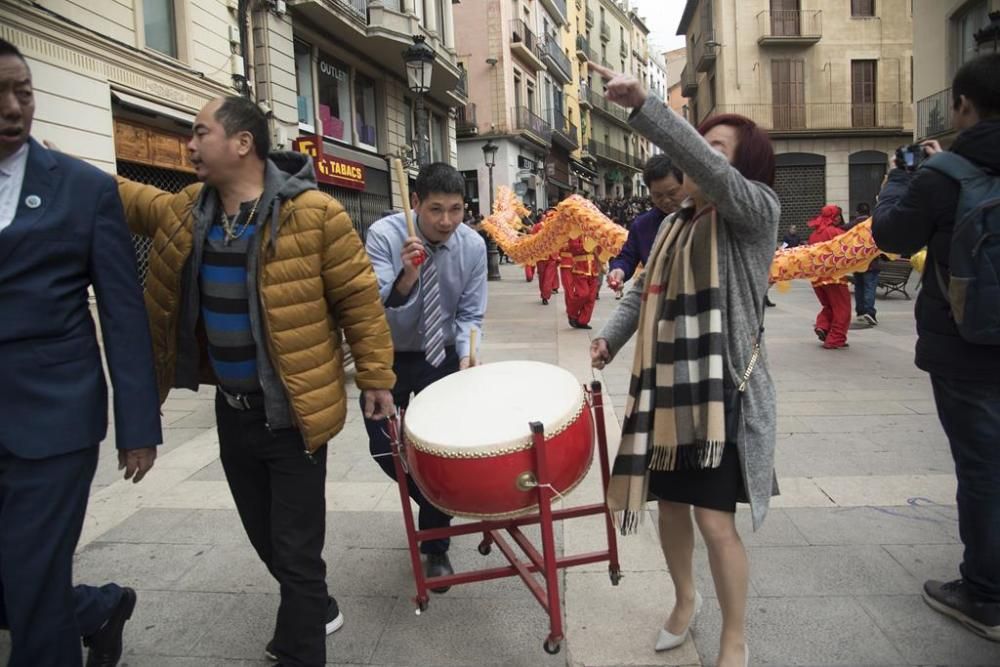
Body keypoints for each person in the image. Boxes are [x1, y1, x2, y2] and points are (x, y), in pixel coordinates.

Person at [115, 95, 396, 667]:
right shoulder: (190, 211)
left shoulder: (317, 214)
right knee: (265, 537)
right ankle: (313, 605)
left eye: (200, 132)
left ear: (242, 143)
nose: (190, 145)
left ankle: (301, 646)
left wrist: (376, 378)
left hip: (293, 413)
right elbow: (134, 202)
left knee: (295, 551)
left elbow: (359, 302)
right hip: (232, 411)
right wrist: (60, 168)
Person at [589, 61, 778, 667]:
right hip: (667, 390)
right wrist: (610, 339)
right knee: (670, 506)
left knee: (715, 522)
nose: (698, 155)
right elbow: (640, 292)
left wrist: (648, 106)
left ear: (731, 165)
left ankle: (734, 637)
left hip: (720, 394)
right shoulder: (672, 226)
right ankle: (684, 598)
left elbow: (710, 171)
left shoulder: (753, 213)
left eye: (712, 148)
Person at [0, 39, 162, 667]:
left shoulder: (84, 189)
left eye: (24, 91)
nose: (14, 107)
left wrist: (138, 426)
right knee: (16, 580)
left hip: (53, 418)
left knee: (33, 581)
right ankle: (97, 608)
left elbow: (124, 316)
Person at [872, 53, 1000, 642]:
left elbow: (891, 237)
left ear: (964, 106)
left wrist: (902, 174)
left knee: (982, 468)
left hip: (967, 345)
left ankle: (986, 594)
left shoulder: (944, 174)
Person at [363, 162, 487, 591]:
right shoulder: (383, 234)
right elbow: (379, 301)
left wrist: (469, 353)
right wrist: (408, 273)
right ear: (415, 203)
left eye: (455, 209)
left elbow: (471, 312)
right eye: (436, 209)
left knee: (442, 449)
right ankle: (439, 498)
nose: (446, 221)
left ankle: (435, 544)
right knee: (383, 446)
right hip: (387, 354)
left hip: (442, 354)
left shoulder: (472, 245)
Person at [606, 155, 685, 296]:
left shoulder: (701, 218)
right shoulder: (642, 225)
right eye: (658, 196)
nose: (666, 200)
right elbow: (627, 257)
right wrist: (619, 270)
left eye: (672, 193)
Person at [807, 205, 851, 349]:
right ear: (835, 217)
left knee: (829, 305)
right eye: (838, 215)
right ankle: (836, 338)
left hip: (817, 277)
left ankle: (823, 326)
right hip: (834, 276)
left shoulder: (814, 234)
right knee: (842, 308)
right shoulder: (836, 232)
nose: (839, 218)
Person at [848, 202, 880, 326]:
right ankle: (869, 311)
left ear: (857, 213)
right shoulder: (874, 224)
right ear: (869, 212)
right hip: (871, 262)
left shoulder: (852, 226)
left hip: (857, 262)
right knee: (869, 287)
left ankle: (860, 311)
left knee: (859, 287)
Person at [562, 235, 600, 329]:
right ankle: (572, 313)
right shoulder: (576, 233)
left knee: (591, 297)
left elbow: (599, 250)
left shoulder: (594, 233)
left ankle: (583, 321)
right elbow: (573, 248)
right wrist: (587, 247)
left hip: (593, 269)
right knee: (582, 293)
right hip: (580, 268)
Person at [532, 209, 559, 305]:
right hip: (542, 256)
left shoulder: (553, 228)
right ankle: (544, 293)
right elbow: (533, 241)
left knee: (547, 277)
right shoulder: (537, 227)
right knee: (543, 277)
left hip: (551, 256)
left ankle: (545, 295)